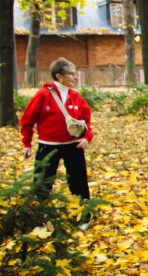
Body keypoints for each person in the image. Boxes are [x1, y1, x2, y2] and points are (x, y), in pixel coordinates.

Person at [19, 57, 93, 205]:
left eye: (75, 73)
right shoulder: (43, 95)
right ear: (59, 76)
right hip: (48, 146)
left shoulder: (76, 97)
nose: (75, 77)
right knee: (42, 182)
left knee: (78, 182)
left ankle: (83, 214)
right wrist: (27, 143)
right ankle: (39, 215)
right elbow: (27, 121)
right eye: (71, 74)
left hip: (73, 146)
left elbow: (87, 122)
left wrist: (86, 138)